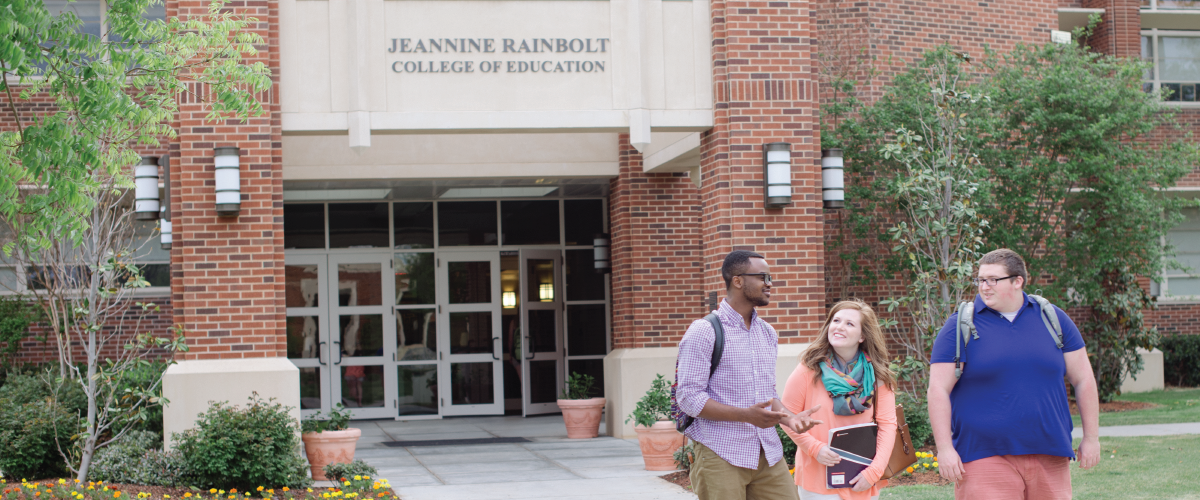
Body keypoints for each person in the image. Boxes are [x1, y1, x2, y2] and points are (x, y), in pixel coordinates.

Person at [928, 248, 1100, 500]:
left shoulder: (1054, 320)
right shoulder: (959, 327)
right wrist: (944, 449)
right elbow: (938, 390)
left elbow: (1084, 379)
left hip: (1049, 452)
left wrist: (1091, 437)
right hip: (983, 455)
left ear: (1018, 281)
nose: (984, 287)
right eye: (980, 280)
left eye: (993, 280)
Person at [676, 250, 823, 500]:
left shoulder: (767, 333)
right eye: (763, 277)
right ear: (738, 280)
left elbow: (768, 394)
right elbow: (688, 398)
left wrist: (789, 418)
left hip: (768, 453)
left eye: (770, 277)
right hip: (720, 453)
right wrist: (745, 415)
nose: (769, 284)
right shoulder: (704, 331)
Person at [781, 300, 898, 500]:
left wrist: (874, 472)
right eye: (836, 321)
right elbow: (785, 416)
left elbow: (888, 425)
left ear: (862, 336)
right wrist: (814, 448)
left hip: (863, 475)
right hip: (817, 476)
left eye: (849, 324)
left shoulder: (878, 375)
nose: (839, 327)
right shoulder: (808, 369)